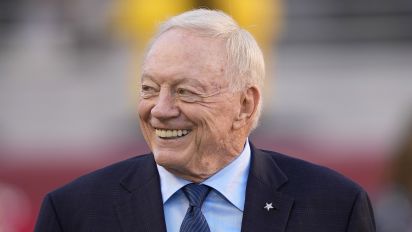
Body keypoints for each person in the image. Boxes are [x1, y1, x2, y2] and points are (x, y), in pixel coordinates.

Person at [35, 9, 375, 232]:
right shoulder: (73, 213)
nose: (160, 110)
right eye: (149, 89)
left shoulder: (334, 207)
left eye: (185, 91)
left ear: (245, 104)